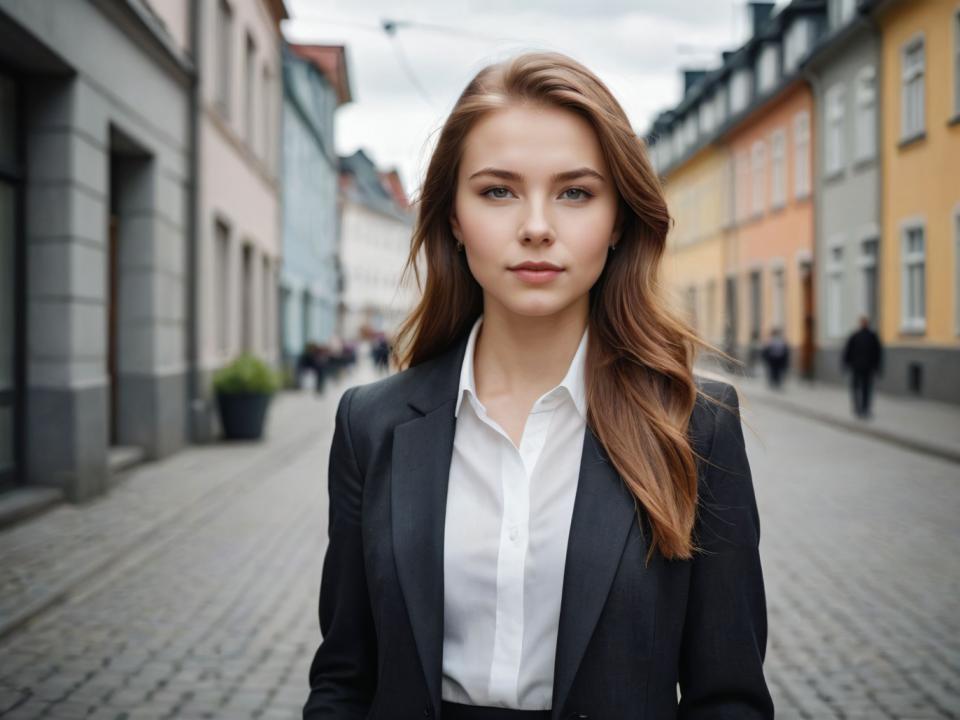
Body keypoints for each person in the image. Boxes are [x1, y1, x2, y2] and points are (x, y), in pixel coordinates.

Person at [303, 52, 773, 720]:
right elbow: (345, 677)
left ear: (618, 222)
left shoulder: (696, 425)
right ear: (453, 219)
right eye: (498, 190)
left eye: (575, 192)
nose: (536, 226)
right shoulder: (370, 424)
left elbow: (728, 697)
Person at [842, 315, 883, 419]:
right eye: (862, 322)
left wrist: (877, 366)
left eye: (864, 322)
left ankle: (865, 408)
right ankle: (857, 408)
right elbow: (848, 351)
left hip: (867, 368)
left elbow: (877, 353)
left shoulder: (872, 336)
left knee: (866, 389)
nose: (863, 324)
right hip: (857, 367)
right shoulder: (855, 336)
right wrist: (846, 364)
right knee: (856, 388)